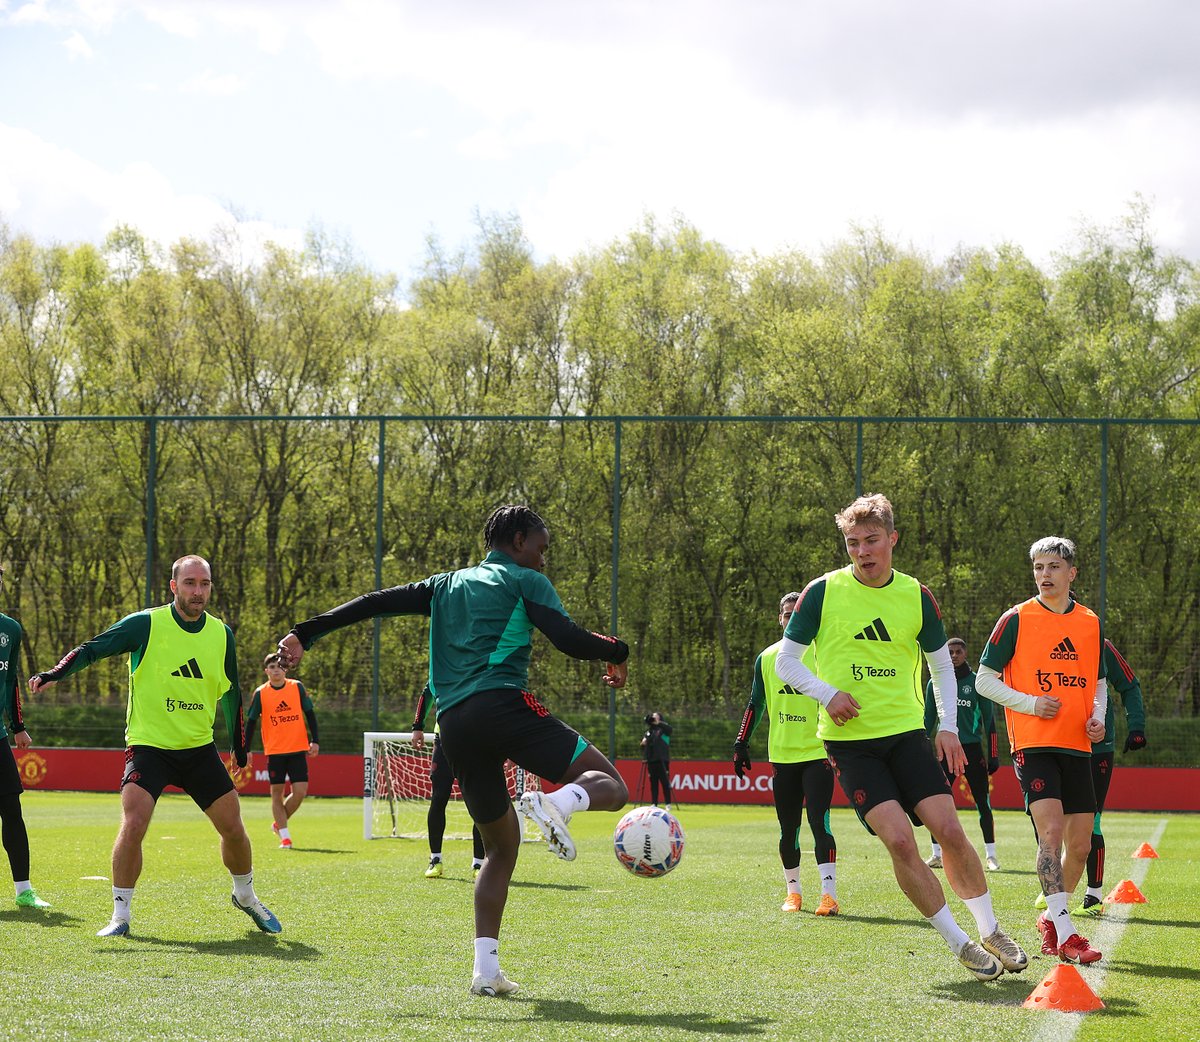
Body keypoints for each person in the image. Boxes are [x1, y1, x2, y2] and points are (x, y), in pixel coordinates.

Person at [276, 504, 629, 997]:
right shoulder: (526, 581)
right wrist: (618, 651)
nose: (544, 560)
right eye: (542, 549)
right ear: (520, 540)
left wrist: (304, 633)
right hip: (505, 705)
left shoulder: (444, 585)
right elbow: (568, 639)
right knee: (613, 785)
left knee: (500, 850)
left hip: (455, 726)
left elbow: (375, 602)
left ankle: (485, 971)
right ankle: (555, 804)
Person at [773, 493, 1027, 982]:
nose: (863, 552)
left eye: (872, 541)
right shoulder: (822, 593)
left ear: (892, 539)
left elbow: (941, 669)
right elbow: (787, 660)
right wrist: (827, 693)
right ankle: (961, 943)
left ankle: (991, 928)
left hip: (907, 735)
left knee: (949, 831)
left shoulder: (917, 595)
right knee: (900, 841)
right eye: (853, 544)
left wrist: (948, 728)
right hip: (849, 744)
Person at [27, 555, 281, 938]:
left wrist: (239, 746)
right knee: (134, 822)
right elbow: (95, 647)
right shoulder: (146, 624)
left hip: (199, 749)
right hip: (149, 746)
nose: (199, 591)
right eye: (191, 583)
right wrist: (55, 674)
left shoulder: (221, 634)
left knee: (234, 828)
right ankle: (120, 916)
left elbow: (231, 691)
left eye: (205, 583)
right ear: (174, 586)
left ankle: (245, 895)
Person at [976, 536, 1107, 965]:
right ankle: (1068, 932)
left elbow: (1100, 682)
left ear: (1072, 573)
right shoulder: (1015, 619)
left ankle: (1051, 921)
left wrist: (1098, 719)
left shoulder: (1090, 621)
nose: (1044, 575)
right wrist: (1031, 704)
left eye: (1053, 567)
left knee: (1082, 847)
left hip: (1078, 746)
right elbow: (984, 679)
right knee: (1050, 834)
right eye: (1038, 567)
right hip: (1032, 744)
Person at [733, 591, 839, 916]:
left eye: (797, 614)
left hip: (817, 752)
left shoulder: (824, 655)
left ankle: (829, 896)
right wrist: (741, 742)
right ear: (779, 619)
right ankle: (793, 894)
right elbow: (756, 703)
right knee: (788, 828)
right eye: (786, 614)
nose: (791, 619)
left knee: (819, 823)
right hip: (782, 757)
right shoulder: (766, 658)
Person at [1032, 636, 1147, 918]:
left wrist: (1136, 725)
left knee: (1090, 821)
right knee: (1050, 821)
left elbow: (1129, 684)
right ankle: (1057, 885)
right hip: (1052, 744)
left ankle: (1093, 896)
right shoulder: (1037, 639)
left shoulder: (1098, 643)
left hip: (1096, 749)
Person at [923, 637, 1001, 871]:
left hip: (971, 750)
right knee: (936, 803)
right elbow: (928, 720)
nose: (954, 655)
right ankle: (936, 854)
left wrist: (994, 754)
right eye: (950, 652)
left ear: (965, 654)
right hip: (944, 751)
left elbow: (989, 721)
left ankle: (991, 856)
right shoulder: (935, 684)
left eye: (958, 651)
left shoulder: (977, 683)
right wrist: (922, 749)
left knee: (982, 803)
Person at [2, 571, 50, 911]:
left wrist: (18, 725)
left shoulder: (11, 630)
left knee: (12, 811)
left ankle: (24, 890)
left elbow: (11, 682)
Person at [244, 652, 320, 849]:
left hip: (297, 749)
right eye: (272, 667)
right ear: (266, 671)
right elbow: (251, 722)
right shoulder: (261, 693)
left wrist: (316, 740)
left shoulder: (297, 687)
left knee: (300, 792)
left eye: (279, 667)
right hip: (275, 751)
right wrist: (246, 748)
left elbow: (310, 714)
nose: (276, 670)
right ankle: (285, 837)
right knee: (276, 794)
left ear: (285, 669)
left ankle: (278, 824)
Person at [410, 682, 485, 880]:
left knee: (478, 802)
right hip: (443, 742)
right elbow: (427, 693)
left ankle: (479, 863)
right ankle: (435, 860)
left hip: (475, 742)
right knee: (439, 798)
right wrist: (417, 726)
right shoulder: (443, 666)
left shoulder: (480, 667)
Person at [640, 711, 672, 808]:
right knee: (653, 783)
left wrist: (659, 723)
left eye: (656, 717)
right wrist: (643, 744)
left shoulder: (663, 730)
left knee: (665, 782)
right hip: (651, 760)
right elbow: (643, 746)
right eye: (653, 717)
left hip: (662, 760)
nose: (653, 719)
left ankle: (668, 803)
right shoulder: (649, 732)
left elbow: (670, 730)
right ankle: (654, 803)